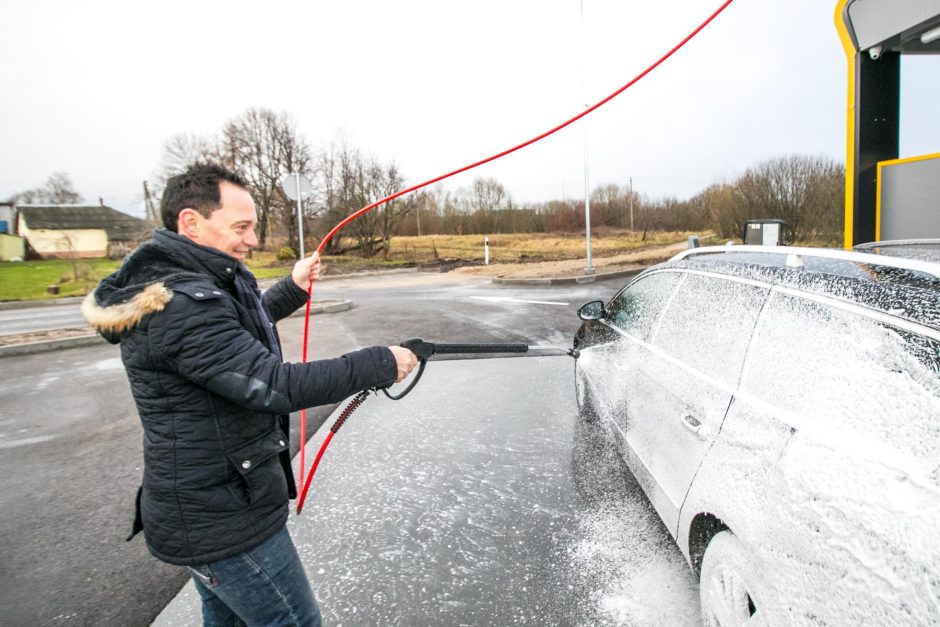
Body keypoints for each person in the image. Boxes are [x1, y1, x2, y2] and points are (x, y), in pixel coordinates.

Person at [82, 162, 417, 626]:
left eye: (253, 226)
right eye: (241, 227)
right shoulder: (178, 304)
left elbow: (238, 327)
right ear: (191, 222)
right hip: (221, 517)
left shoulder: (198, 278)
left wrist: (293, 288)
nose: (253, 240)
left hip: (216, 502)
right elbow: (269, 384)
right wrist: (376, 363)